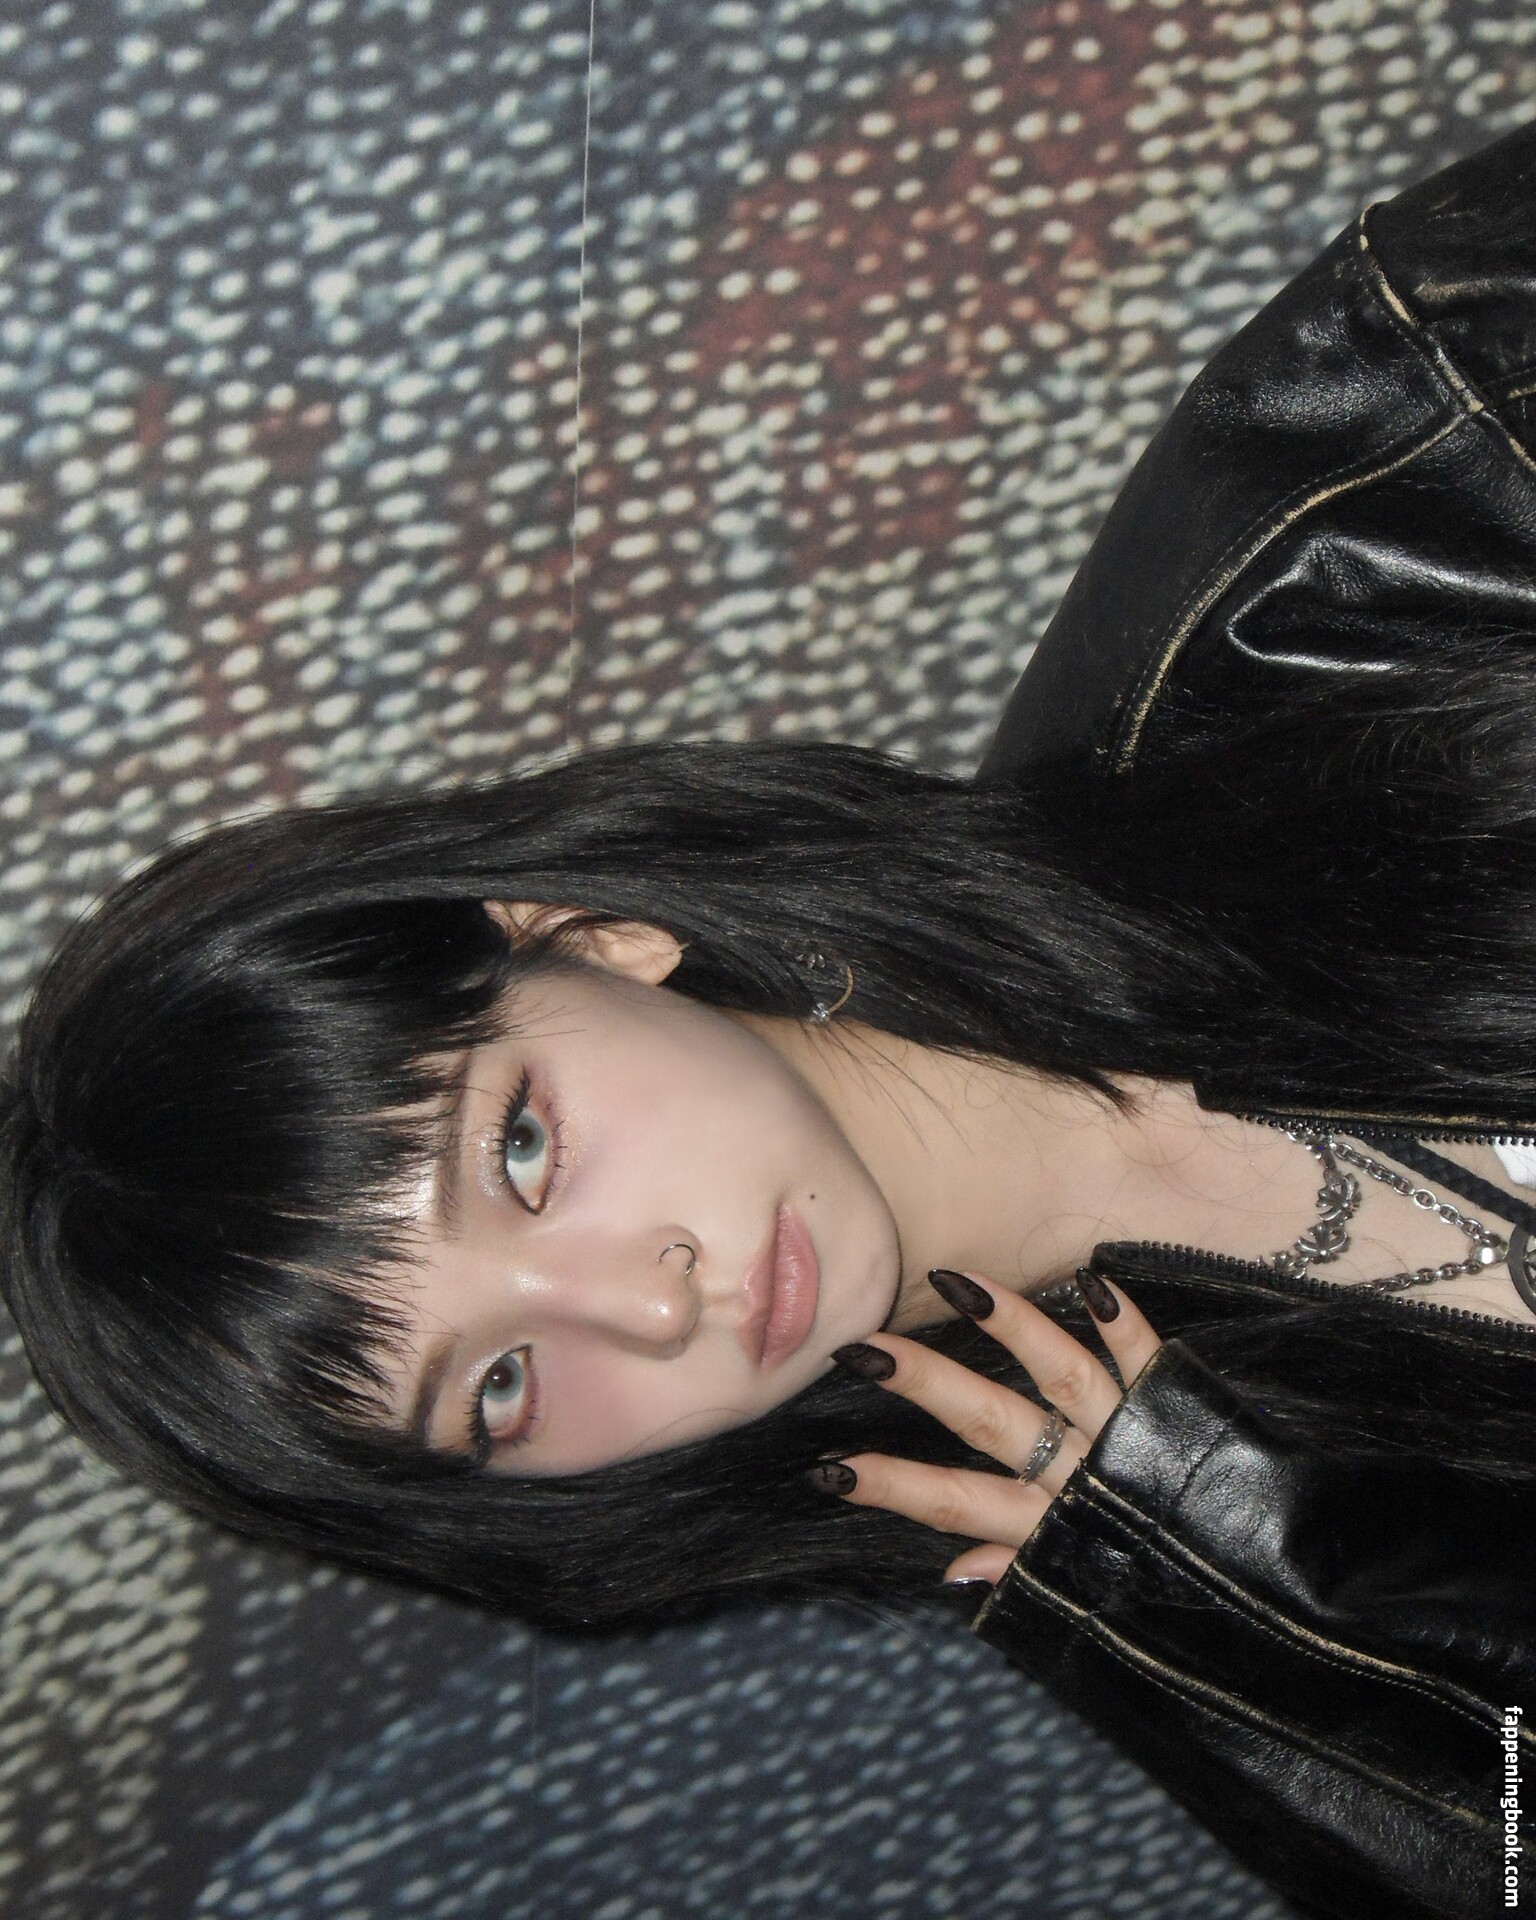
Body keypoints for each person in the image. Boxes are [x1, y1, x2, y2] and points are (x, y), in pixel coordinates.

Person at [4, 121, 1535, 1920]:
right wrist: (1289, 1607)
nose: (653, 1307)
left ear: (589, 936)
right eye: (498, 1387)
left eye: (520, 1149)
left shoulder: (1363, 525)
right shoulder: (1126, 1539)